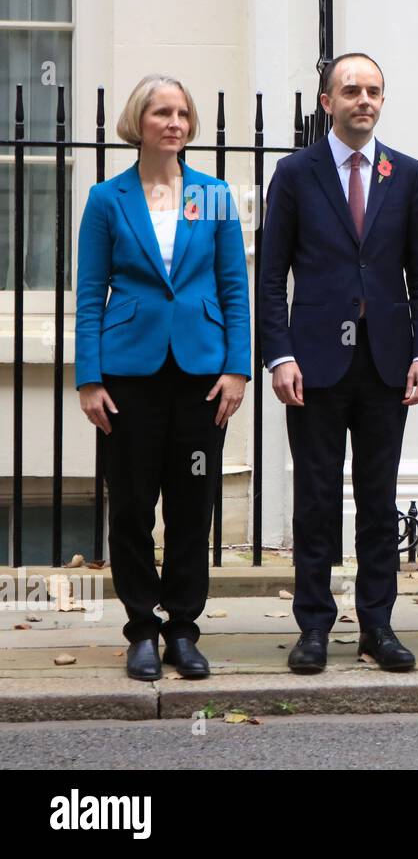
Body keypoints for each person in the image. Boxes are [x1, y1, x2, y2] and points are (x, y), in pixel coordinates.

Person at [260, 52, 418, 673]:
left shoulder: (405, 174)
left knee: (379, 498)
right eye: (352, 90)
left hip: (387, 362)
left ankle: (377, 625)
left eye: (375, 91)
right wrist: (277, 353)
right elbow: (270, 274)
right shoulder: (295, 173)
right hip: (312, 365)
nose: (365, 100)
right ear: (327, 103)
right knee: (314, 498)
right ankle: (313, 626)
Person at [75, 74, 250, 681]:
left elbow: (234, 286)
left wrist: (237, 368)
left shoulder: (215, 194)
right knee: (130, 505)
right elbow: (91, 291)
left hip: (201, 371)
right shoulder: (107, 198)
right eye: (162, 113)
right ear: (138, 123)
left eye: (183, 113)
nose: (175, 123)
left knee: (192, 502)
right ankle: (141, 629)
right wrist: (89, 377)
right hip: (129, 373)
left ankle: (182, 627)